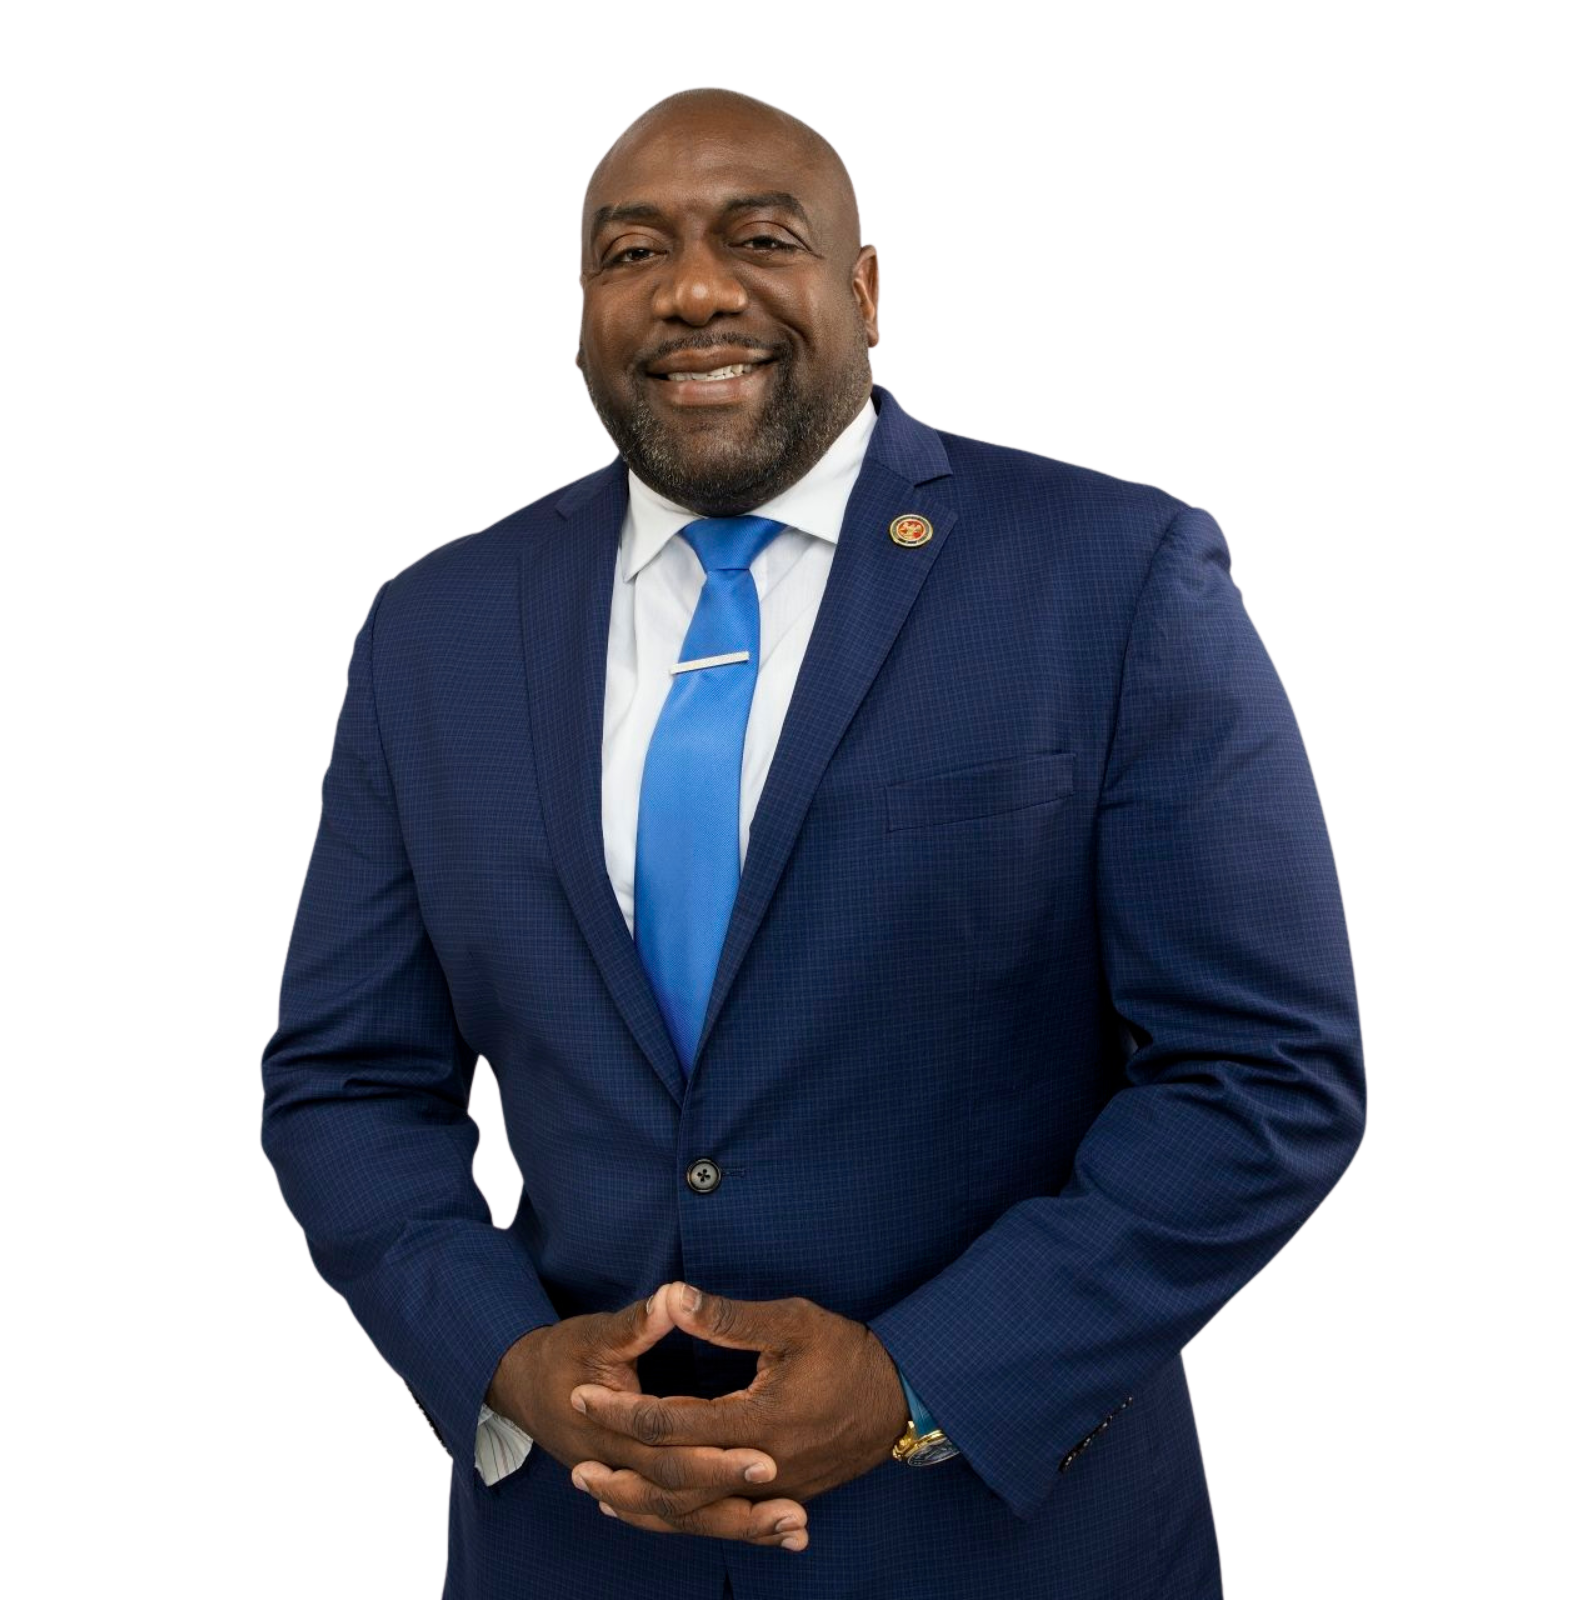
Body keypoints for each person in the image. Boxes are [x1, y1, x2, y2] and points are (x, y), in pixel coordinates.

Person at [258, 85, 1369, 1600]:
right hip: (577, 1549)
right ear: (581, 311)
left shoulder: (1114, 578)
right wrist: (508, 1361)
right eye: (631, 250)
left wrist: (919, 1382)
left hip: (1007, 1548)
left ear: (861, 292)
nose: (693, 288)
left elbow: (1263, 1080)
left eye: (757, 238)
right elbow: (344, 1080)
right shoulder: (432, 630)